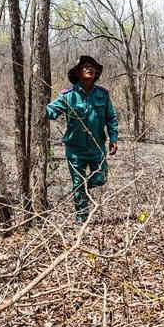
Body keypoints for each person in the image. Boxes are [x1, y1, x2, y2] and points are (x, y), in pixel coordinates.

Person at [46, 56, 118, 223]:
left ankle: (83, 187)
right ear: (78, 72)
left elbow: (111, 118)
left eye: (92, 66)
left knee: (100, 178)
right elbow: (51, 111)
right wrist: (41, 108)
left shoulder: (103, 94)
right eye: (85, 67)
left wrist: (113, 138)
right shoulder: (68, 95)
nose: (89, 69)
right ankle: (81, 219)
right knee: (78, 183)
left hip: (97, 147)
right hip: (75, 150)